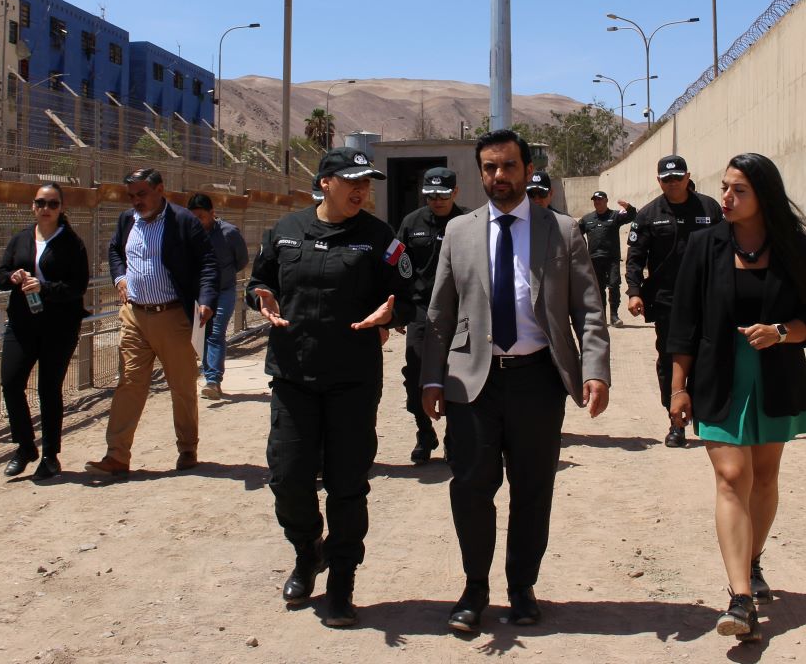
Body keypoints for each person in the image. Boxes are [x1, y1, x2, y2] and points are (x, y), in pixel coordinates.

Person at [421, 129, 611, 635]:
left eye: (508, 166)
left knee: (532, 490)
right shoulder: (459, 232)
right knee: (470, 488)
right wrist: (431, 379)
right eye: (489, 167)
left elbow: (589, 309)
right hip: (473, 383)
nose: (498, 176)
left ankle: (522, 588)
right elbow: (440, 314)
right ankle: (474, 590)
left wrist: (595, 370)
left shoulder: (562, 230)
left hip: (538, 381)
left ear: (528, 170)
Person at [246, 147, 415, 627]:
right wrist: (259, 296)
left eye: (366, 182)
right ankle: (307, 552)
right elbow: (259, 281)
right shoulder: (285, 231)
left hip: (352, 381)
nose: (361, 190)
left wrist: (392, 314)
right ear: (325, 183)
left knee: (347, 484)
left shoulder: (379, 238)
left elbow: (409, 294)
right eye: (352, 181)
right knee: (288, 476)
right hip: (293, 375)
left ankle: (342, 579)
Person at [667, 153, 806, 644]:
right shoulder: (705, 245)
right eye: (724, 188)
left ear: (763, 195)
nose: (727, 198)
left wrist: (780, 332)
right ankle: (740, 598)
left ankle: (753, 559)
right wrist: (678, 386)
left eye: (739, 190)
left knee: (764, 476)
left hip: (775, 375)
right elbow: (684, 321)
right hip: (718, 376)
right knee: (733, 475)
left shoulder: (792, 245)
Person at [85, 168, 219, 478]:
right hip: (134, 315)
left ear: (160, 190)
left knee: (182, 386)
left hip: (173, 316)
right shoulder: (127, 220)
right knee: (129, 383)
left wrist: (207, 300)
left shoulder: (183, 221)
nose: (136, 201)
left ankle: (187, 448)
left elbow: (208, 262)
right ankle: (116, 455)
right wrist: (119, 277)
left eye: (142, 194)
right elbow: (114, 250)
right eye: (131, 196)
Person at [625, 154, 723, 447]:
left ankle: (709, 416)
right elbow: (635, 258)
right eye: (666, 179)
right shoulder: (648, 215)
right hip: (668, 301)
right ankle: (676, 422)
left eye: (677, 178)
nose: (672, 183)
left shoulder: (709, 208)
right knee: (670, 360)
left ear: (687, 177)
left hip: (707, 297)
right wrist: (634, 292)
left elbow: (726, 250)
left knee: (708, 357)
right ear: (659, 181)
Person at [0, 183, 90, 481]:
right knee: (11, 383)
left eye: (52, 204)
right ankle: (25, 447)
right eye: (41, 203)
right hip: (22, 324)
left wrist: (44, 287)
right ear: (33, 206)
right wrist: (13, 276)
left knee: (48, 389)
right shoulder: (21, 239)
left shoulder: (71, 243)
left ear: (61, 208)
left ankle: (50, 455)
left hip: (59, 326)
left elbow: (77, 287)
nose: (46, 209)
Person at [394, 166, 468, 464]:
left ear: (455, 193)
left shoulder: (468, 223)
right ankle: (424, 433)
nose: (436, 201)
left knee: (456, 375)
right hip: (421, 310)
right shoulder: (411, 223)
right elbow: (397, 265)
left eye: (443, 195)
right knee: (416, 374)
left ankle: (453, 437)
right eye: (431, 195)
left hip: (459, 311)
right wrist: (399, 309)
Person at [187, 192, 250, 401]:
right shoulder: (188, 233)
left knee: (215, 333)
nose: (198, 221)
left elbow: (241, 260)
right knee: (200, 334)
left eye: (201, 217)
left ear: (212, 213)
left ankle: (213, 380)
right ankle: (205, 374)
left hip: (223, 291)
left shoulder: (229, 233)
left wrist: (225, 274)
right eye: (193, 217)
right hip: (198, 293)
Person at [578, 190, 636, 327]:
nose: (597, 202)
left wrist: (629, 207)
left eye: (600, 199)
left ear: (606, 200)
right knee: (598, 289)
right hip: (594, 259)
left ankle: (614, 316)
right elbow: (576, 233)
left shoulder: (615, 215)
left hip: (612, 259)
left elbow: (632, 216)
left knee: (614, 285)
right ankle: (602, 317)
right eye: (595, 200)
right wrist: (582, 248)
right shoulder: (587, 219)